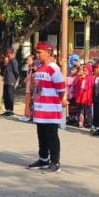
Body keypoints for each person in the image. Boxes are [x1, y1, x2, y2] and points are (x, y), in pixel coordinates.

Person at [26, 43, 67, 173]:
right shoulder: (39, 68)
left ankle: (55, 163)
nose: (37, 55)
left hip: (50, 110)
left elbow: (61, 89)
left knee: (52, 136)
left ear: (48, 53)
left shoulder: (53, 68)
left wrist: (58, 101)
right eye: (37, 52)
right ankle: (43, 159)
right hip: (40, 109)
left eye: (40, 52)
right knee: (41, 135)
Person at [0, 48, 20, 116]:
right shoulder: (8, 61)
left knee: (10, 95)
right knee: (6, 95)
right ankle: (7, 109)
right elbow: (5, 71)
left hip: (11, 80)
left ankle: (11, 110)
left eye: (8, 53)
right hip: (6, 80)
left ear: (10, 53)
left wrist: (16, 80)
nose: (7, 54)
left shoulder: (14, 61)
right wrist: (5, 64)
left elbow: (16, 72)